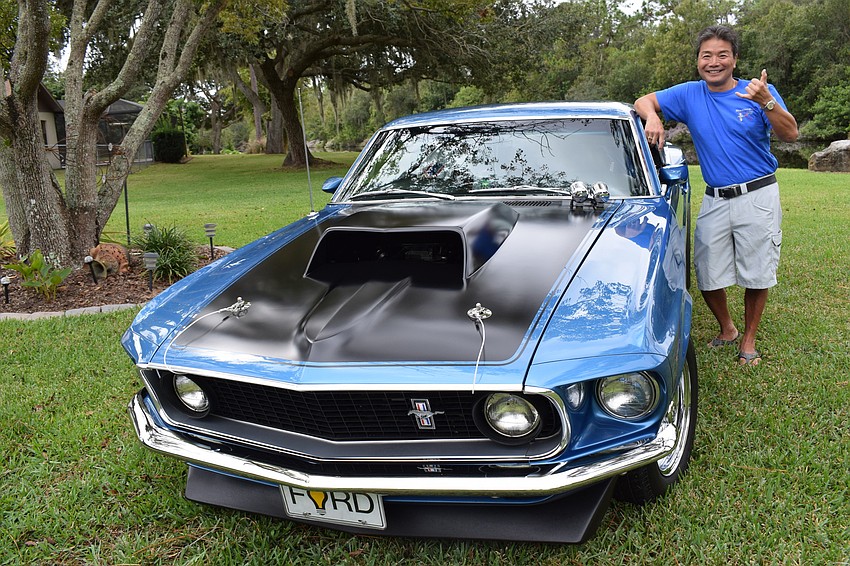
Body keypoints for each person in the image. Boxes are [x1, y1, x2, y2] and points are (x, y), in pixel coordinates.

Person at [634, 25, 798, 366]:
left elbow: (791, 133)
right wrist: (652, 116)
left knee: (757, 272)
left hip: (757, 193)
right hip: (715, 197)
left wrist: (765, 101)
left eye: (722, 55)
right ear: (698, 61)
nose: (714, 62)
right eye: (706, 55)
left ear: (735, 60)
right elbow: (644, 100)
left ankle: (749, 339)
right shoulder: (690, 94)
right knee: (706, 271)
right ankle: (728, 329)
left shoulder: (758, 93)